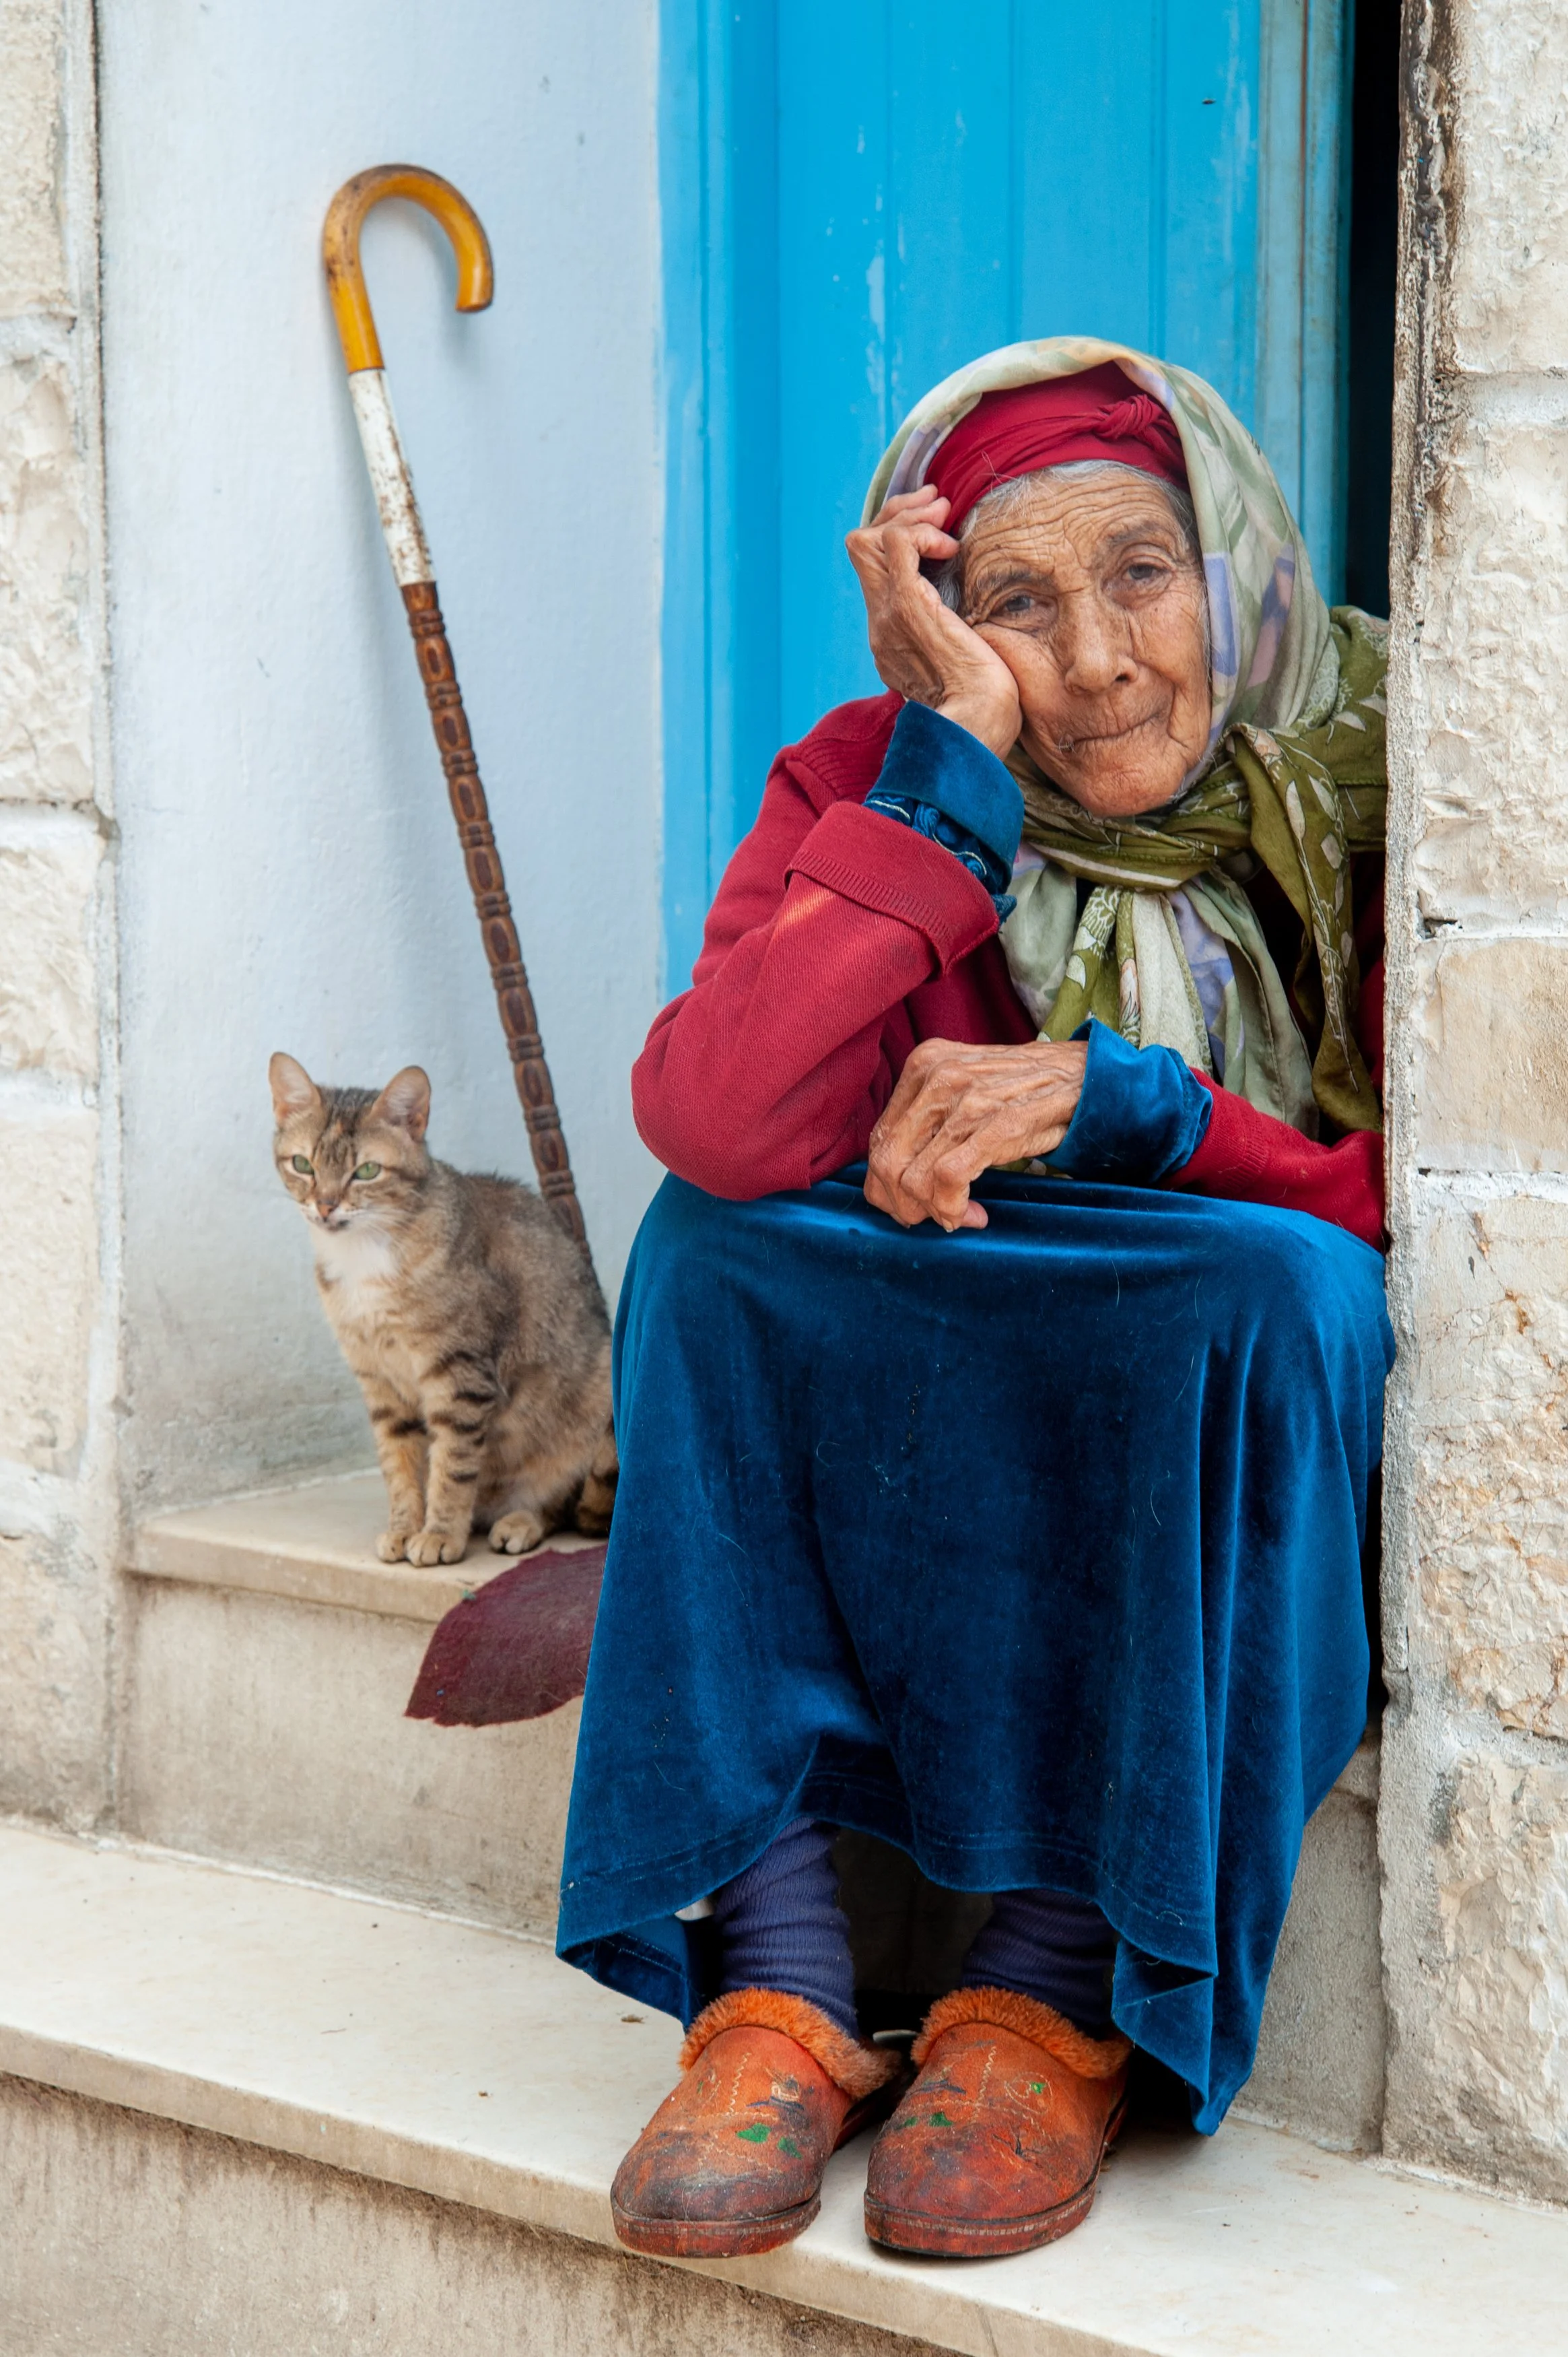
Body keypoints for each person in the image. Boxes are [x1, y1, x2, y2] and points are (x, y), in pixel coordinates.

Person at [557, 341, 1393, 2263]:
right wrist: (951, 764)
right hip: (945, 1326)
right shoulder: (875, 774)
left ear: (1235, 570)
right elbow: (714, 1105)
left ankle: (1052, 1982)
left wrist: (1137, 1102)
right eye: (1014, 598)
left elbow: (1429, 1197)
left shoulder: (1363, 780)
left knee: (1288, 1293)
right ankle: (778, 1980)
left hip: (1185, 1311)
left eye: (1143, 575)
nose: (1092, 663)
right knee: (709, 1244)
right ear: (937, 622)